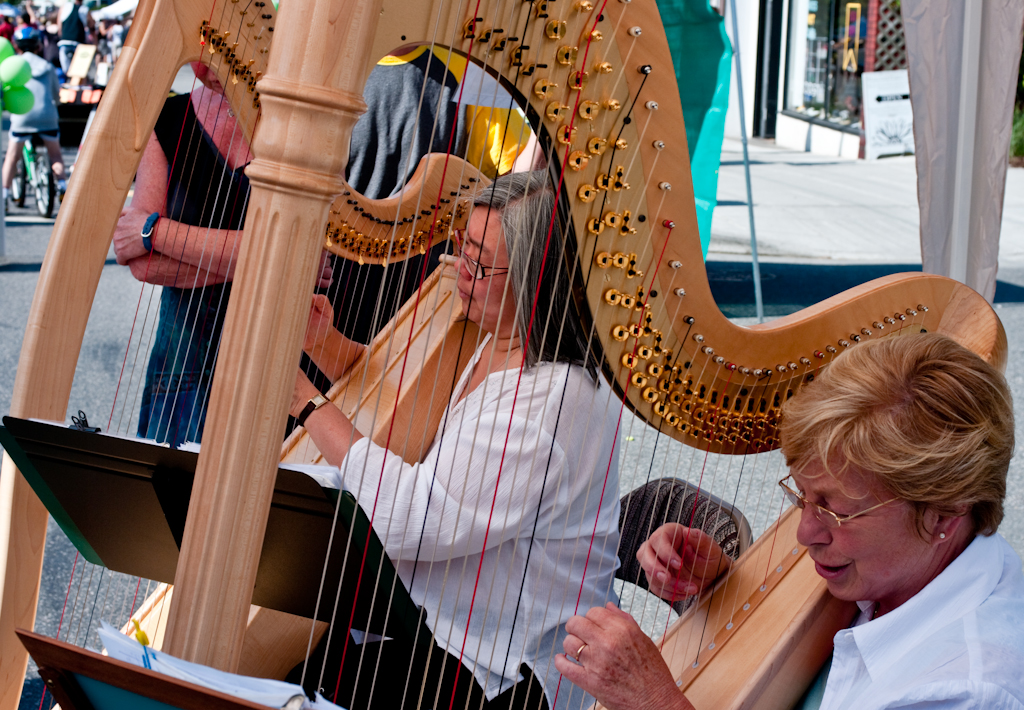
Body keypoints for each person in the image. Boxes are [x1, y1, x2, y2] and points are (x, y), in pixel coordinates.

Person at [289, 171, 620, 710]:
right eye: (461, 248)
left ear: (538, 277)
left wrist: (306, 404)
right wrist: (321, 343)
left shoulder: (553, 398)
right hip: (428, 629)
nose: (459, 272)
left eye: (480, 262)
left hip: (491, 668)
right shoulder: (493, 336)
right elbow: (404, 406)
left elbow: (411, 521)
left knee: (293, 684)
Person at [555, 333, 1024, 710]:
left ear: (943, 513)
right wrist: (723, 584)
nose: (804, 533)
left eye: (836, 510)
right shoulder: (918, 564)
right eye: (802, 496)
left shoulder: (963, 687)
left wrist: (654, 701)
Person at [2, 27, 65, 206]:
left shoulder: (14, 66)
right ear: (38, 46)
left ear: (17, 46)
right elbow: (56, 94)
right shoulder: (47, 66)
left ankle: (5, 194)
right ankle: (62, 185)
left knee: (12, 157)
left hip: (22, 117)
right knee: (55, 156)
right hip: (47, 116)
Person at [56, 0, 93, 73]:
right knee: (79, 71)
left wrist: (62, 36)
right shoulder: (85, 9)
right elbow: (91, 25)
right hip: (78, 42)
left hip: (65, 41)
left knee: (66, 70)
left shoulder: (64, 7)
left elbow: (59, 27)